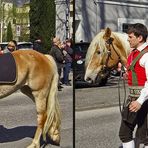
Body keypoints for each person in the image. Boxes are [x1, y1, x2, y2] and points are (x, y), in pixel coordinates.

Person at [119, 23, 148, 148]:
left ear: (140, 38)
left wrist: (140, 101)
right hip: (132, 98)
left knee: (145, 136)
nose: (128, 39)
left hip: (143, 100)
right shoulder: (132, 54)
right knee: (125, 133)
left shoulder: (146, 55)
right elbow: (134, 72)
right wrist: (127, 74)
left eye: (130, 37)